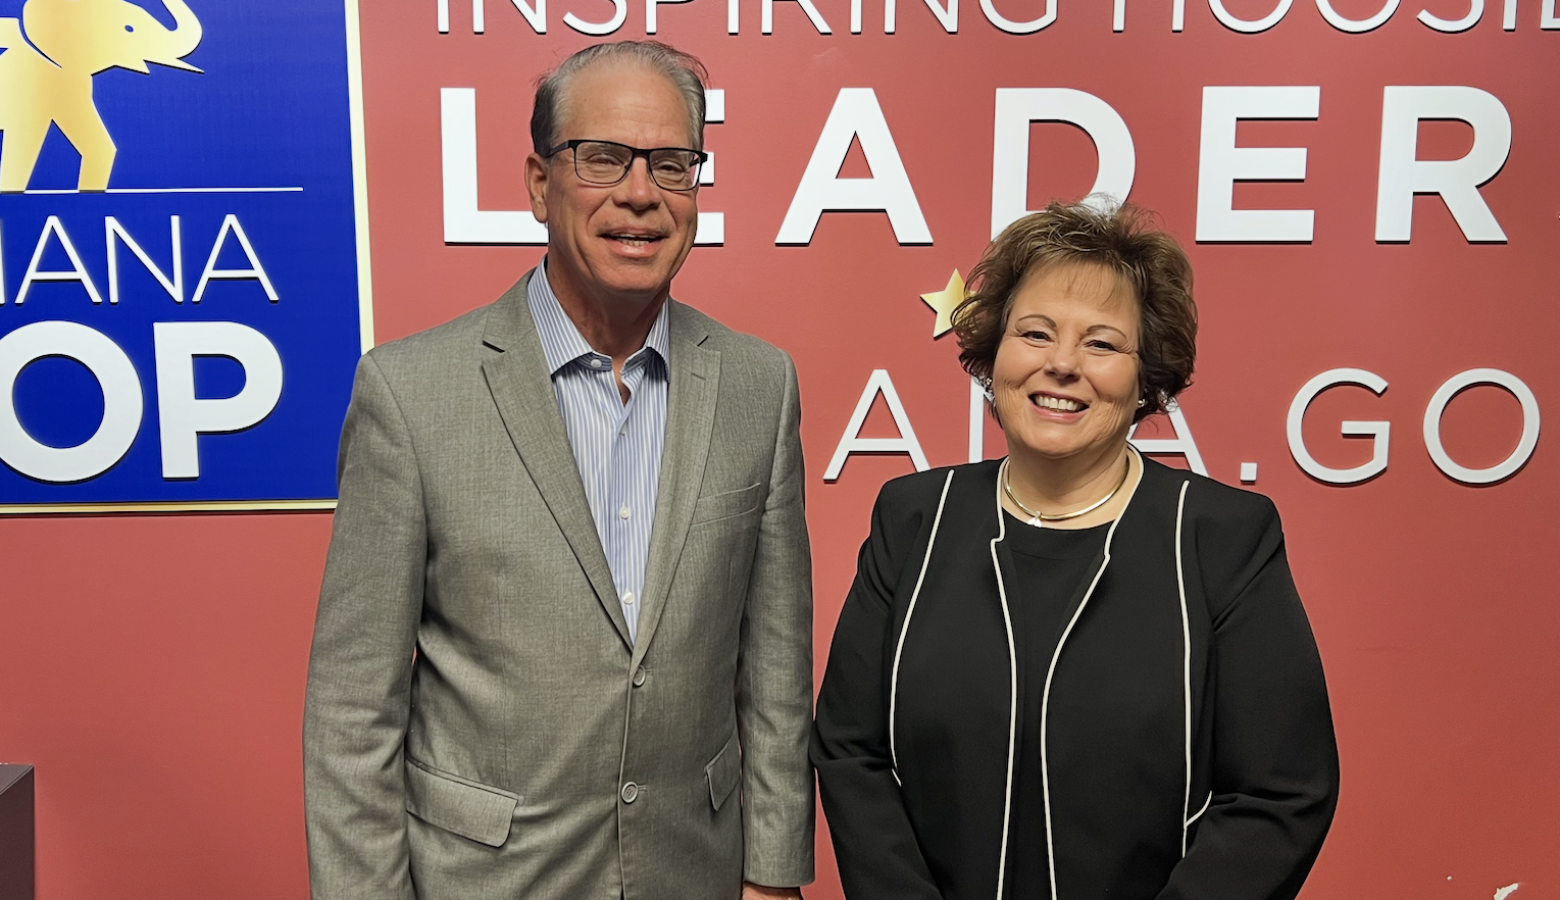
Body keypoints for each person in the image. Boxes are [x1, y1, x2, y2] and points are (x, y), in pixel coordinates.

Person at [303, 41, 813, 900]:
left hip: (696, 873)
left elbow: (774, 671)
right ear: (540, 182)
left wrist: (772, 873)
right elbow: (354, 713)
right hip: (484, 880)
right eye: (603, 157)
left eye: (672, 163)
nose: (640, 193)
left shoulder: (761, 385)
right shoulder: (409, 393)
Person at [811, 200, 1339, 900]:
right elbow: (852, 751)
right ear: (993, 351)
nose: (1062, 364)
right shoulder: (914, 520)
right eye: (1035, 333)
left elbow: (1281, 793)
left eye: (1101, 344)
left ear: (1147, 376)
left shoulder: (1222, 540)